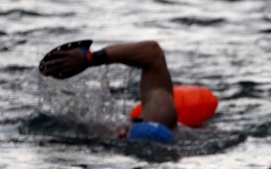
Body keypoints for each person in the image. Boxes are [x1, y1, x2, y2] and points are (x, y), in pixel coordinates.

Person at [39, 40, 178, 142]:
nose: (122, 131)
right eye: (128, 130)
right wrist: (91, 58)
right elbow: (154, 53)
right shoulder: (161, 116)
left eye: (124, 134)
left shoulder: (108, 135)